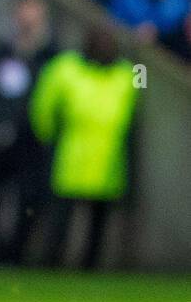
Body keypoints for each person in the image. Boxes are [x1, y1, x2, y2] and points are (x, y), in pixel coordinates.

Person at [30, 25, 138, 269]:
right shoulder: (65, 68)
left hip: (107, 160)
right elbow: (43, 108)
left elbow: (133, 117)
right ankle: (52, 263)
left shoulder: (126, 75)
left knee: (97, 222)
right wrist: (47, 138)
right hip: (74, 156)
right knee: (61, 218)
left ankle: (89, 265)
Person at [0, 0, 56, 264]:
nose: (28, 18)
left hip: (32, 145)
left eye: (34, 11)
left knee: (29, 201)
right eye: (24, 10)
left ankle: (17, 254)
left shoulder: (52, 57)